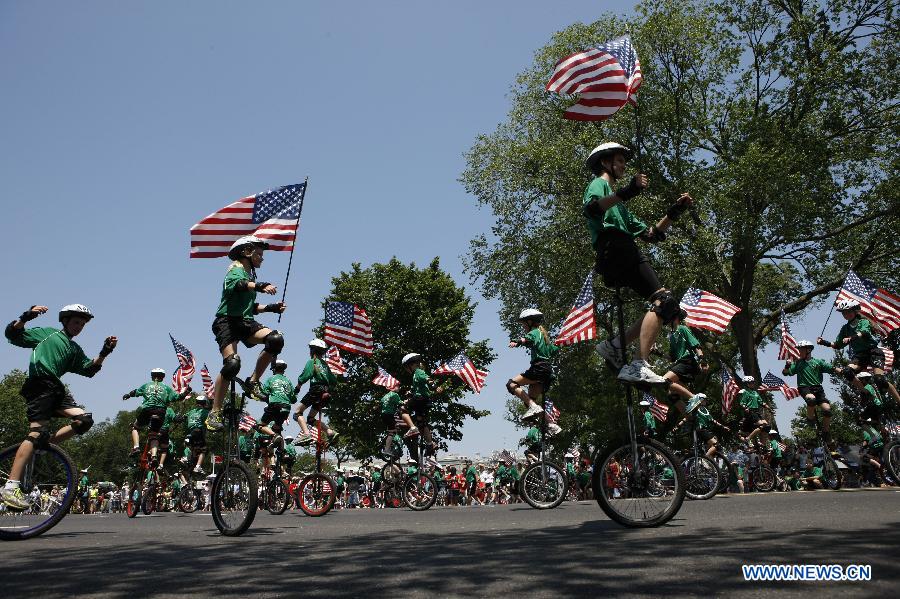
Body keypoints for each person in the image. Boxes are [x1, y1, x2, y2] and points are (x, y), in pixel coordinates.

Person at [582, 142, 695, 385]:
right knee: (664, 301)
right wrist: (628, 191)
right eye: (619, 161)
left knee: (667, 306)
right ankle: (637, 364)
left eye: (624, 162)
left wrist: (674, 211)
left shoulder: (620, 208)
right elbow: (591, 209)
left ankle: (615, 345)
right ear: (605, 162)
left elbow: (651, 235)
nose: (623, 166)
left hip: (623, 249)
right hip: (614, 248)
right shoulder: (599, 184)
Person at [2, 304, 116, 510]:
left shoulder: (74, 349)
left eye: (82, 324)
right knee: (35, 432)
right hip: (40, 383)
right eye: (75, 322)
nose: (79, 326)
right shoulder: (48, 334)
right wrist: (26, 317)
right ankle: (11, 486)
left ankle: (43, 449)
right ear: (65, 321)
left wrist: (104, 352)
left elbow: (89, 370)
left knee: (84, 420)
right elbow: (12, 335)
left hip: (56, 389)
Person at [207, 235, 287, 431]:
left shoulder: (250, 276)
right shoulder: (235, 270)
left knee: (275, 339)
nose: (262, 258)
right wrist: (260, 286)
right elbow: (238, 286)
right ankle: (214, 411)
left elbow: (250, 307)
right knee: (232, 363)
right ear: (246, 252)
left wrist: (271, 308)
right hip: (226, 322)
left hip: (244, 322)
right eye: (259, 254)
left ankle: (253, 382)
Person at [818, 299, 900, 404]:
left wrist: (851, 338)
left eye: (848, 311)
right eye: (843, 312)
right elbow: (838, 345)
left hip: (873, 352)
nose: (846, 314)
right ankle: (866, 392)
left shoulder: (863, 321)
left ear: (855, 311)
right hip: (860, 356)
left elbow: (864, 332)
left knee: (879, 380)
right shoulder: (845, 328)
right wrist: (823, 342)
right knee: (847, 372)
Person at [783, 339, 842, 448]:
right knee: (811, 399)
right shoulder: (798, 363)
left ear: (808, 350)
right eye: (799, 350)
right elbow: (786, 373)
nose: (799, 352)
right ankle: (810, 418)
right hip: (804, 388)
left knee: (828, 410)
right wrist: (787, 366)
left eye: (801, 350)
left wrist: (843, 371)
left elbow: (832, 368)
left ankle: (826, 432)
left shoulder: (818, 362)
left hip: (818, 388)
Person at [123, 368, 191, 463]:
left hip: (148, 410)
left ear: (152, 376)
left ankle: (136, 447)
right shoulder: (166, 388)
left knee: (135, 427)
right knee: (154, 435)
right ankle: (154, 456)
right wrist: (185, 393)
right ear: (163, 378)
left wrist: (128, 395)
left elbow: (136, 392)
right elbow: (177, 397)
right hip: (160, 411)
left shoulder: (147, 385)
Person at [507, 309, 560, 420]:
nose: (523, 327)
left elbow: (529, 339)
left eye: (523, 324)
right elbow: (553, 350)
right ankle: (550, 424)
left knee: (511, 384)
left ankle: (533, 407)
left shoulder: (535, 332)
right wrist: (561, 343)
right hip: (547, 371)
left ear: (530, 322)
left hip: (539, 368)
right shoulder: (545, 338)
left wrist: (518, 342)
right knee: (530, 401)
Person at [399, 353, 444, 468]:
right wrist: (410, 392)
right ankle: (430, 445)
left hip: (420, 398)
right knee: (422, 422)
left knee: (403, 410)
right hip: (424, 400)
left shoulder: (418, 372)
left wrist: (435, 387)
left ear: (412, 365)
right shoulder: (415, 375)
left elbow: (427, 379)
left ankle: (412, 428)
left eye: (406, 368)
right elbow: (417, 387)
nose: (406, 370)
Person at [662, 309, 708, 414]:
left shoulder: (682, 328)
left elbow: (695, 344)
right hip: (679, 362)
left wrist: (702, 361)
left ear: (675, 317)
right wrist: (657, 352)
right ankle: (690, 417)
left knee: (664, 380)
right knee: (671, 394)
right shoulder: (672, 335)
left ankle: (694, 398)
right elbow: (672, 357)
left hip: (687, 361)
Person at [293, 339, 338, 444]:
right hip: (325, 393)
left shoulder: (312, 362)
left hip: (316, 390)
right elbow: (333, 381)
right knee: (310, 419)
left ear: (312, 350)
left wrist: (298, 387)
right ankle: (330, 432)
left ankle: (306, 434)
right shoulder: (325, 365)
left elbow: (305, 376)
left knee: (297, 413)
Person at [257, 359, 297, 443]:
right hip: (286, 408)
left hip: (275, 406)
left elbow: (264, 394)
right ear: (283, 370)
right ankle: (280, 446)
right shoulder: (288, 381)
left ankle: (274, 436)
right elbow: (294, 400)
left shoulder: (270, 379)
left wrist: (257, 394)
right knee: (276, 428)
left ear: (274, 369)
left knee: (260, 426)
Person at [379, 387, 417, 459]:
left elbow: (382, 403)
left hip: (384, 415)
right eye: (398, 386)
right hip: (389, 415)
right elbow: (401, 404)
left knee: (393, 429)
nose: (399, 388)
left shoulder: (385, 396)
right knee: (392, 432)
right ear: (393, 387)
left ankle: (388, 442)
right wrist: (408, 400)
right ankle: (387, 449)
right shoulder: (395, 395)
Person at [736, 376, 772, 450]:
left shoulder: (755, 392)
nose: (753, 384)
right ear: (746, 384)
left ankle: (762, 444)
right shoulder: (745, 392)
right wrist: (745, 408)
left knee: (767, 427)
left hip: (756, 411)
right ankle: (748, 439)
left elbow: (761, 402)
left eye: (753, 382)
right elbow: (742, 403)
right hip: (750, 411)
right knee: (761, 426)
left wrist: (768, 408)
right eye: (751, 382)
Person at [182, 396, 211, 474]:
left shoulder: (191, 412)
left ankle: (185, 457)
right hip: (198, 431)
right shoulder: (205, 412)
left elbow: (184, 417)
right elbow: (210, 421)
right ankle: (198, 467)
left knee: (193, 448)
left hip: (190, 432)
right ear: (205, 403)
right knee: (204, 450)